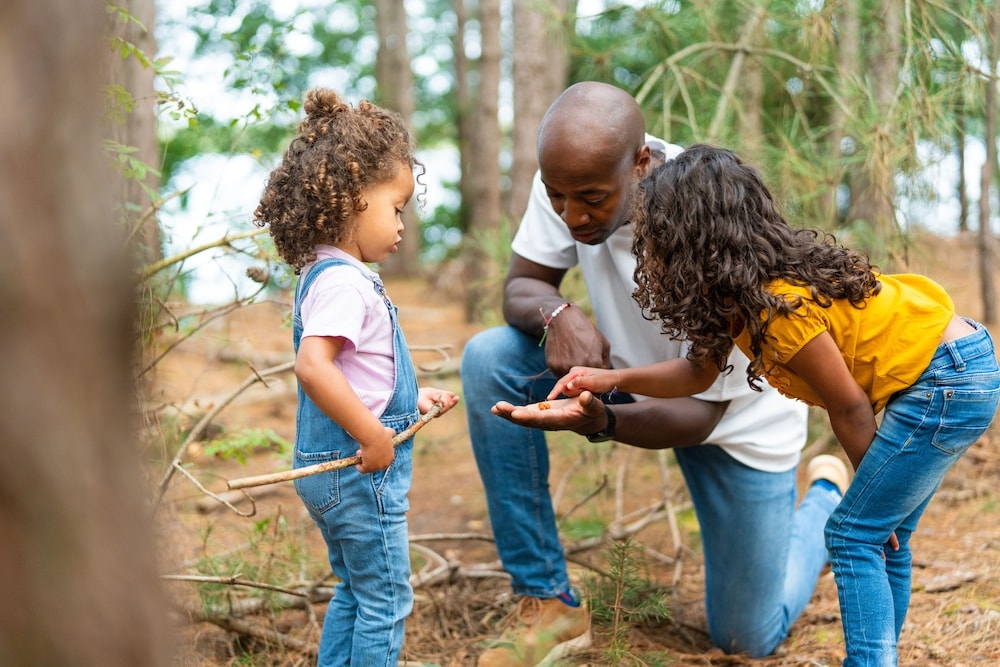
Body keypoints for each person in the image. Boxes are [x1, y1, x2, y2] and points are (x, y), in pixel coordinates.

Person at [550, 144, 1000, 666]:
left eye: (658, 238)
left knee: (854, 535)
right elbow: (698, 372)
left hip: (945, 378)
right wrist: (612, 377)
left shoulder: (779, 309)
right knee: (880, 536)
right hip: (951, 367)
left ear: (691, 241)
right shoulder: (736, 295)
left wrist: (868, 486)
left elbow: (849, 407)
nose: (649, 250)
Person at [460, 81, 849, 665]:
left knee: (747, 636)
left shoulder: (711, 218)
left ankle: (823, 499)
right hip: (621, 377)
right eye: (557, 196)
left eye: (589, 198)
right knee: (490, 357)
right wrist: (558, 312)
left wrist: (601, 420)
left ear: (641, 163)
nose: (572, 216)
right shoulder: (573, 177)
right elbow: (522, 284)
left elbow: (698, 410)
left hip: (734, 416)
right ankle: (547, 601)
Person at [253, 88, 460, 667]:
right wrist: (373, 435)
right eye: (396, 208)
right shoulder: (346, 282)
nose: (401, 225)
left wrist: (409, 402)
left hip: (328, 469)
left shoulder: (324, 273)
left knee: (356, 590)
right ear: (350, 200)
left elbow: (357, 373)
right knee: (388, 599)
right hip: (357, 472)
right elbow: (315, 367)